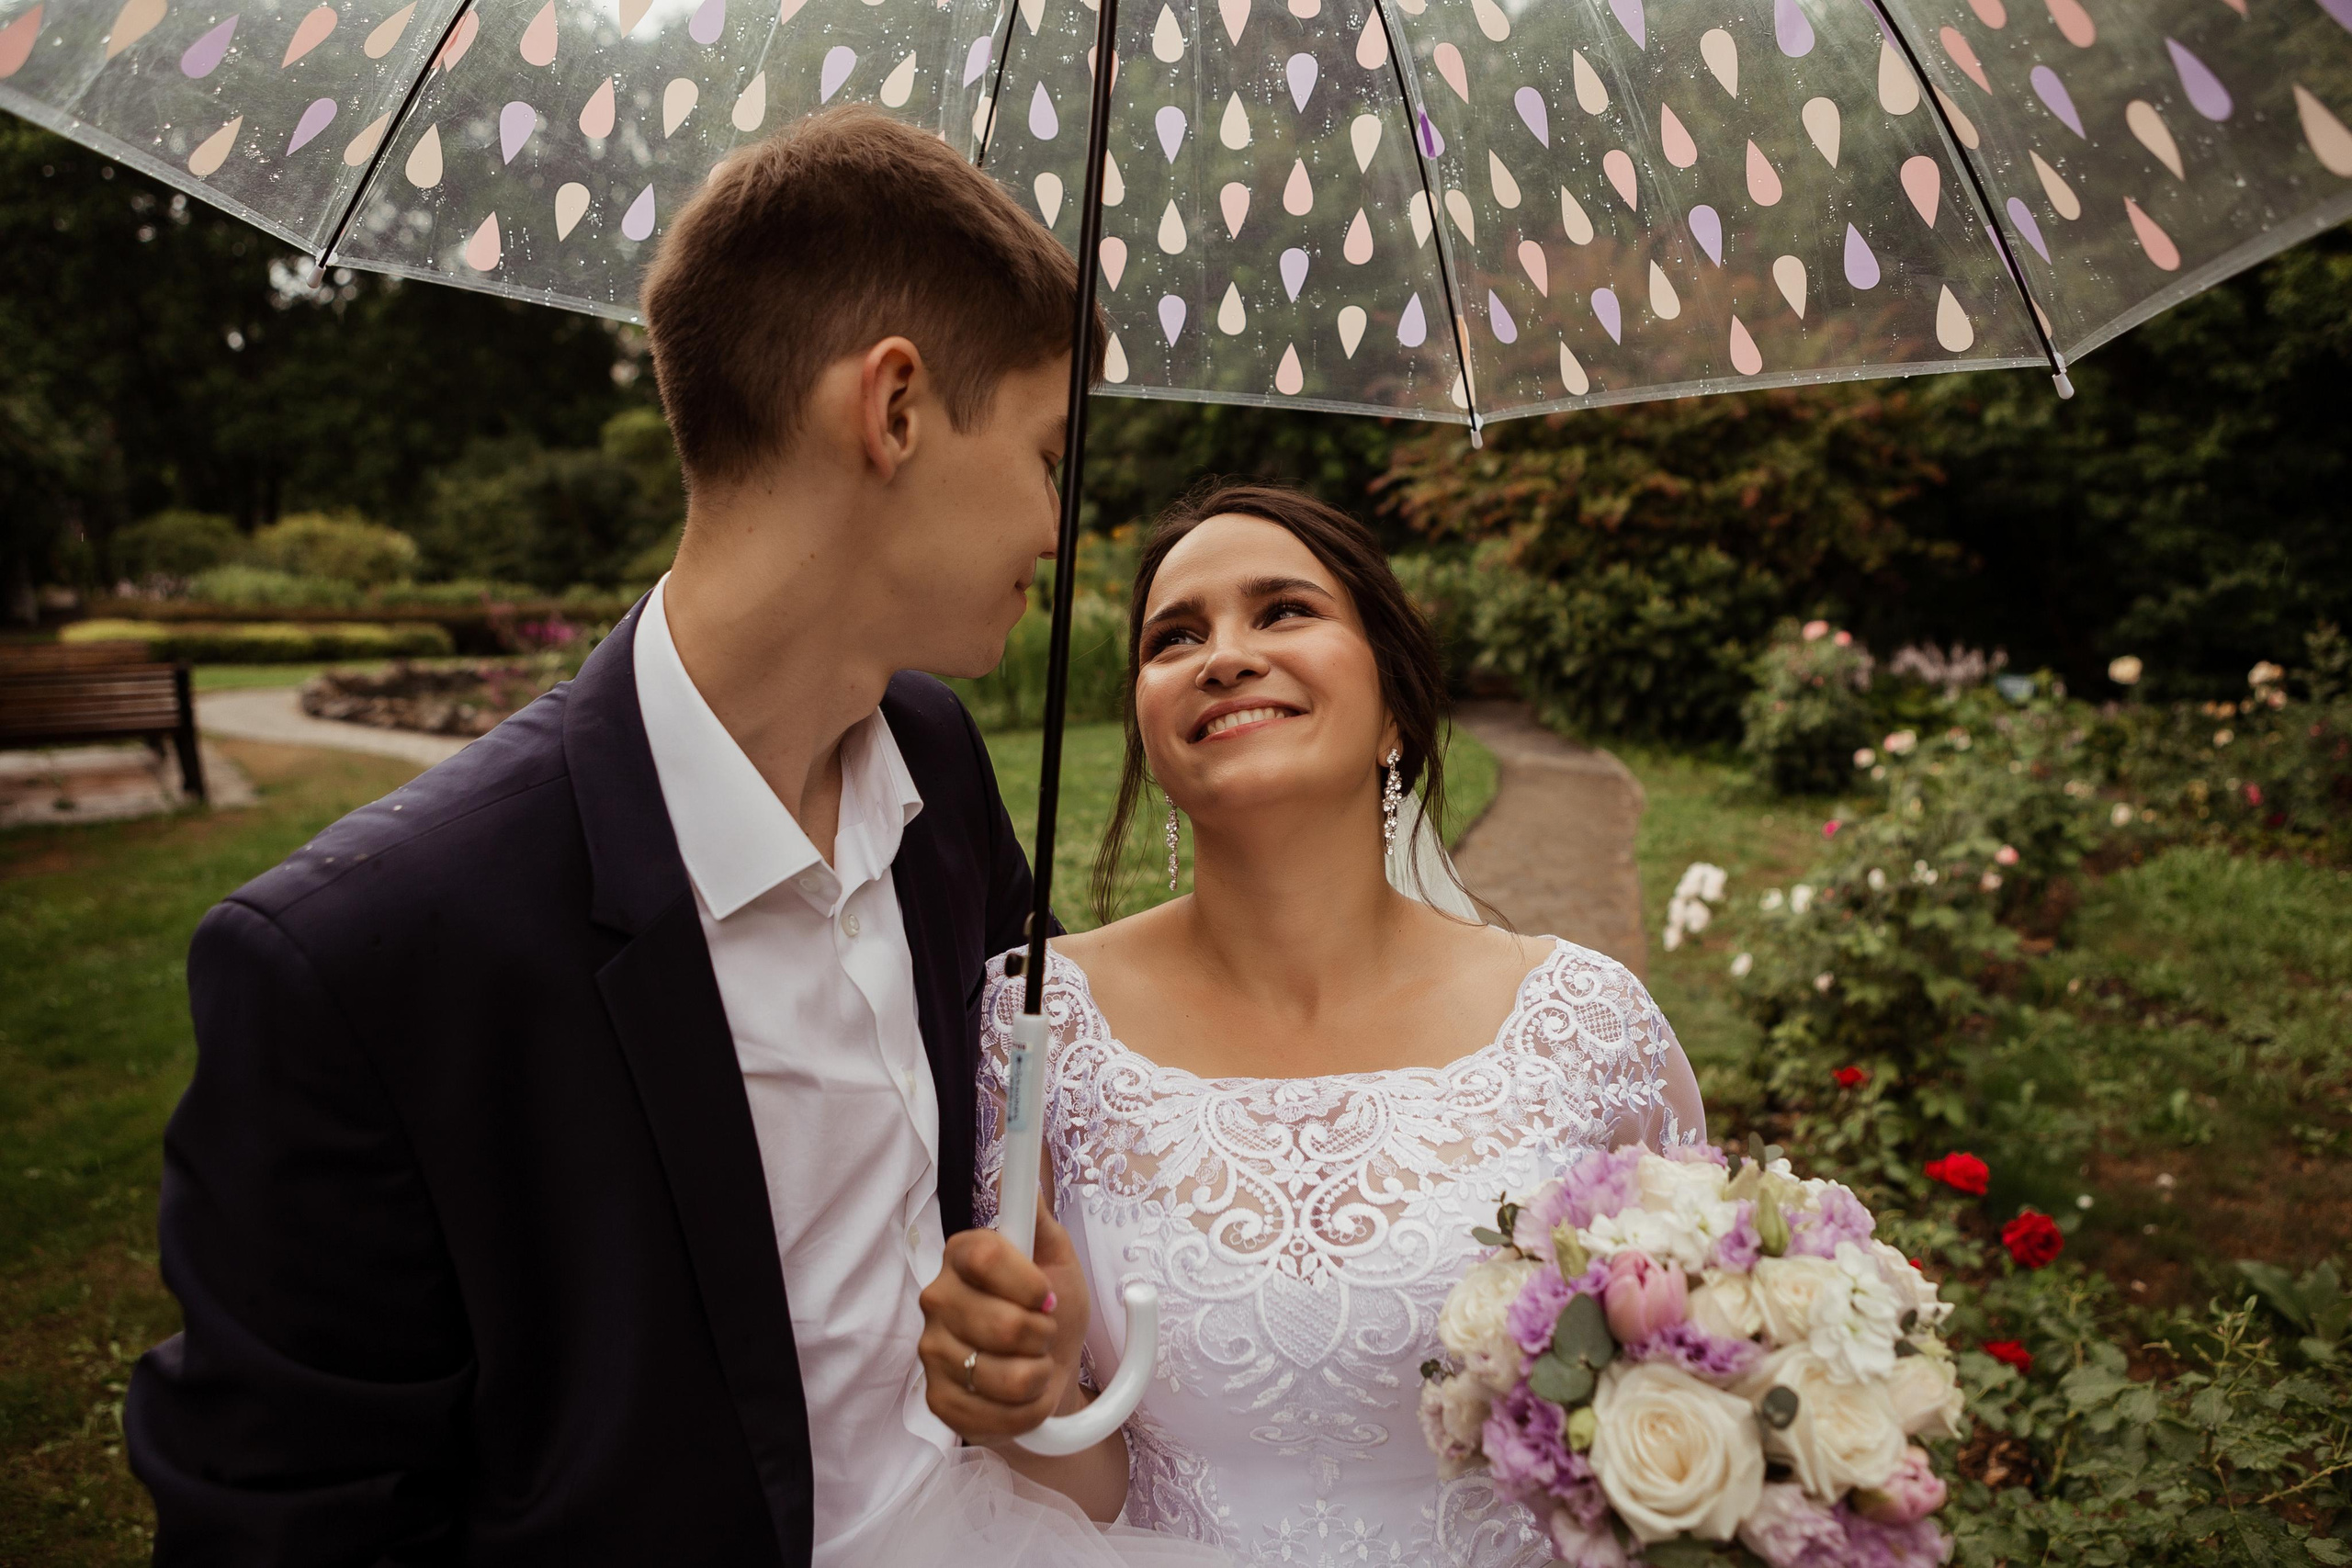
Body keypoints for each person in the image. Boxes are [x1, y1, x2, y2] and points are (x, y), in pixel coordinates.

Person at [126, 107, 1214, 1568]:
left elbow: (1000, 1168)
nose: (1055, 518)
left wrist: (1015, 1339)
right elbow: (286, 1521)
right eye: (1046, 450)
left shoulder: (941, 769)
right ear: (891, 410)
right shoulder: (366, 961)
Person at [919, 482, 1707, 1564]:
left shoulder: (1586, 1025)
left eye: (1283, 610)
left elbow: (1684, 1389)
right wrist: (1041, 1393)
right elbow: (1081, 1491)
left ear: (1392, 707)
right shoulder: (1038, 1025)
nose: (1225, 655)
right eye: (1174, 636)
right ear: (1149, 734)